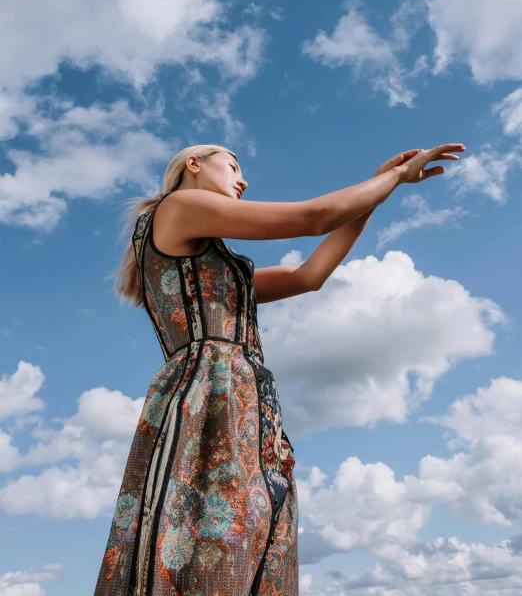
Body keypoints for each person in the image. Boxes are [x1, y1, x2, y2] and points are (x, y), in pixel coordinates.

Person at [93, 140, 466, 596]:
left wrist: (377, 192)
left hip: (244, 406)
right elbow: (313, 219)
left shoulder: (220, 266)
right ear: (193, 165)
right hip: (207, 400)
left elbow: (310, 276)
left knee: (246, 538)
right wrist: (392, 180)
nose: (242, 179)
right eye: (232, 166)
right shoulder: (179, 206)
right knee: (200, 540)